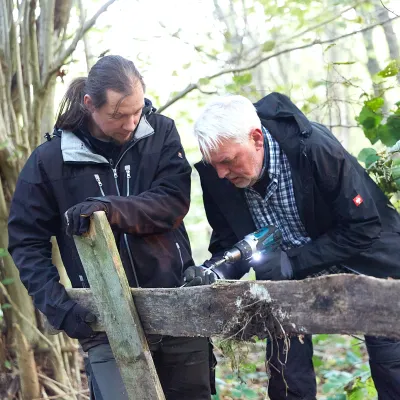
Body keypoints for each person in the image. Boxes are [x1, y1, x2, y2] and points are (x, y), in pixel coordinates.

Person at [8, 55, 214, 400]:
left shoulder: (161, 132)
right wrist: (59, 307)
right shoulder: (49, 161)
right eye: (118, 115)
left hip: (177, 306)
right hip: (103, 323)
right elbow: (26, 241)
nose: (131, 123)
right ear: (90, 104)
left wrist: (109, 209)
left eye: (136, 111)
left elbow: (172, 203)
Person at [186, 93, 400, 400]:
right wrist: (214, 272)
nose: (221, 173)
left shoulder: (313, 148)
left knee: (393, 370)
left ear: (256, 139)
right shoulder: (218, 175)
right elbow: (231, 242)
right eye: (214, 164)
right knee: (287, 379)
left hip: (369, 266)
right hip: (287, 283)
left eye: (227, 161)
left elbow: (363, 227)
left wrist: (292, 262)